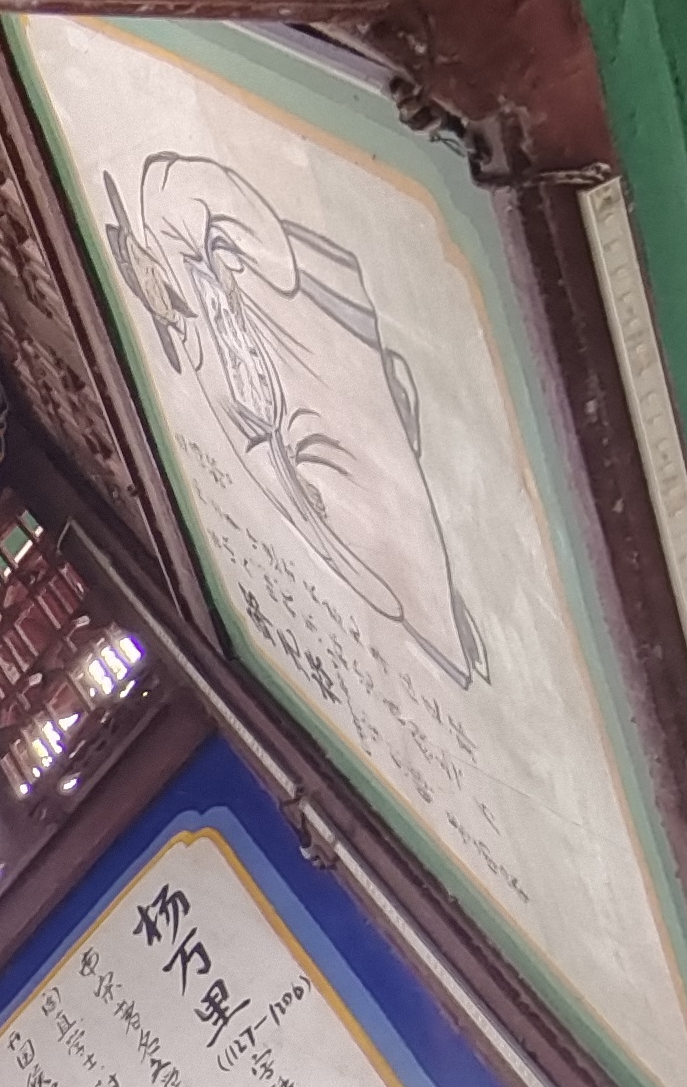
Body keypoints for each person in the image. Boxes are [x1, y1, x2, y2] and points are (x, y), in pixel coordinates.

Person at [105, 156, 485, 689]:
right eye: (148, 294)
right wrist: (290, 479)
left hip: (313, 361)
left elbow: (269, 250)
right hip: (298, 439)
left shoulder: (164, 202)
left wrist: (220, 262)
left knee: (391, 490)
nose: (152, 290)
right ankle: (440, 629)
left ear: (140, 250)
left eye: (142, 270)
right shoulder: (191, 345)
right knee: (373, 533)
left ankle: (443, 618)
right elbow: (248, 437)